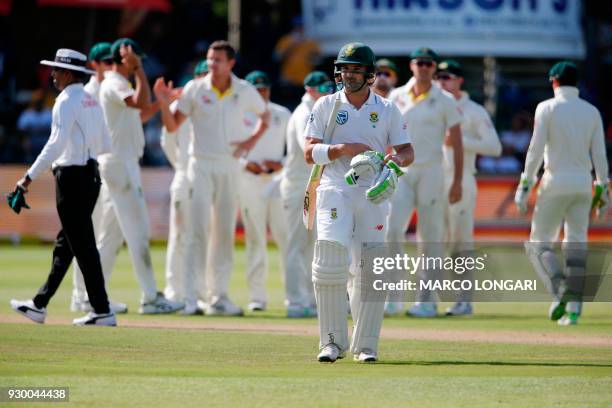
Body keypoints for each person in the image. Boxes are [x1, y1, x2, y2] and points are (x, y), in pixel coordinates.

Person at [304, 42, 413, 363]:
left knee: (371, 268)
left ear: (369, 75)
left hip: (373, 192)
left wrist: (395, 162)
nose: (348, 75)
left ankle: (365, 346)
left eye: (355, 69)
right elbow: (308, 151)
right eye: (344, 69)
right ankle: (331, 343)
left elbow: (408, 151)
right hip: (334, 188)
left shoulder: (389, 109)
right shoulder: (325, 106)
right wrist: (340, 149)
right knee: (330, 261)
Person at [154, 40, 269, 316]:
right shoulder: (195, 88)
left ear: (231, 63)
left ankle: (218, 298)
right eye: (209, 59)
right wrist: (162, 102)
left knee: (224, 233)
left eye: (217, 60)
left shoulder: (244, 90)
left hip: (229, 166)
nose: (211, 64)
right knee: (196, 232)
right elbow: (172, 126)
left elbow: (264, 117)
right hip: (200, 166)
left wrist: (250, 142)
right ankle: (192, 298)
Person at [10, 48, 116, 326]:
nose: (52, 74)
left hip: (72, 179)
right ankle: (39, 304)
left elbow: (55, 144)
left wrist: (28, 177)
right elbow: (106, 144)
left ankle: (102, 311)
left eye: (56, 70)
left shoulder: (66, 101)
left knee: (82, 246)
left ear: (68, 72)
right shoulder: (92, 100)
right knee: (67, 245)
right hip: (91, 176)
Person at [86, 38, 183, 314]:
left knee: (111, 237)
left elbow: (138, 114)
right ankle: (151, 298)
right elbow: (140, 103)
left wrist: (162, 100)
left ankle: (95, 297)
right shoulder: (116, 82)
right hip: (120, 164)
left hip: (118, 164)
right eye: (136, 60)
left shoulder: (119, 86)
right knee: (138, 232)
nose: (138, 64)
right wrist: (139, 70)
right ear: (127, 59)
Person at [515, 61, 609, 326]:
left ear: (553, 81)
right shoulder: (591, 111)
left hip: (555, 180)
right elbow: (600, 156)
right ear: (575, 82)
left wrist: (525, 185)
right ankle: (575, 309)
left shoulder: (546, 108)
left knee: (539, 243)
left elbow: (535, 149)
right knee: (576, 243)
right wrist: (603, 192)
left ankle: (559, 290)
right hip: (583, 183)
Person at [385, 47, 464, 318]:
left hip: (432, 171)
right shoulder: (396, 96)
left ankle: (426, 300)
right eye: (420, 63)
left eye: (429, 64)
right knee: (392, 230)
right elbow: (386, 135)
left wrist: (457, 182)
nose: (424, 67)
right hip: (401, 171)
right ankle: (392, 298)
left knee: (430, 237)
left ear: (434, 68)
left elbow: (457, 141)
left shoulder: (444, 99)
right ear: (411, 66)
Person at [435, 60, 502, 316]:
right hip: (432, 180)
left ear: (459, 80)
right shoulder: (430, 105)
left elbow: (494, 147)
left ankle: (464, 300)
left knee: (460, 242)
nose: (441, 81)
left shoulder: (473, 111)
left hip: (461, 180)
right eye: (438, 76)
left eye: (447, 76)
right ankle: (427, 300)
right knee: (430, 241)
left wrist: (461, 141)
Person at [71, 41, 127, 314]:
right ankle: (82, 296)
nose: (109, 67)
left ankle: (92, 294)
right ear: (94, 64)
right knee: (87, 235)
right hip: (85, 168)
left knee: (107, 236)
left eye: (111, 62)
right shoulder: (85, 92)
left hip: (99, 166)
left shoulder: (108, 90)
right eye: (104, 62)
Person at [280, 70, 333, 318]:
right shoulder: (304, 113)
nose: (326, 93)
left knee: (313, 246)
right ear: (309, 90)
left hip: (313, 183)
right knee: (297, 245)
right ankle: (294, 301)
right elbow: (309, 152)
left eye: (328, 89)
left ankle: (311, 300)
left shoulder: (321, 111)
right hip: (298, 184)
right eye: (321, 89)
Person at [239, 70, 291, 312]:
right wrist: (245, 163)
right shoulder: (239, 115)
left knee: (286, 238)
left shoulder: (282, 113)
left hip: (278, 181)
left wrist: (281, 163)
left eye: (264, 88)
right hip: (250, 180)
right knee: (255, 239)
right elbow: (228, 148)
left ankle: (294, 296)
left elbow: (296, 150)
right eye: (256, 88)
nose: (261, 92)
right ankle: (257, 297)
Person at [161, 60, 208, 315]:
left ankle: (199, 293)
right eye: (200, 75)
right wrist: (181, 166)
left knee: (201, 237)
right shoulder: (179, 104)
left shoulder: (213, 106)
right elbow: (167, 141)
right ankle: (173, 292)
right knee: (179, 237)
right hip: (184, 176)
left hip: (203, 177)